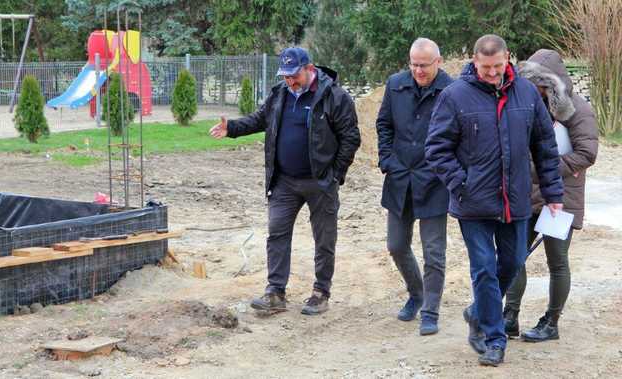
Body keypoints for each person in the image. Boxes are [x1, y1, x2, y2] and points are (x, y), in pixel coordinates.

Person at [425, 35, 563, 366]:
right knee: (484, 268)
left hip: (514, 201)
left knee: (513, 262)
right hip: (472, 204)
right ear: (474, 62)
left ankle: (477, 312)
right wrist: (461, 183)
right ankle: (493, 337)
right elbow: (436, 148)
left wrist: (553, 193)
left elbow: (544, 146)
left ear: (507, 60)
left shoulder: (528, 93)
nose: (491, 73)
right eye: (485, 67)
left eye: (497, 66)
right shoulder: (454, 96)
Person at [209, 47, 360, 316]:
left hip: (320, 182)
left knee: (324, 239)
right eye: (286, 75)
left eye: (294, 75)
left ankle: (320, 292)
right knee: (277, 234)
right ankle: (275, 292)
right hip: (284, 181)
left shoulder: (334, 96)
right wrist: (231, 128)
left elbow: (351, 138)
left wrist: (334, 175)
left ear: (309, 69)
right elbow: (260, 120)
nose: (290, 81)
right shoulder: (280, 93)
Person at [504, 49, 598, 342]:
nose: (532, 87)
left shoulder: (578, 109)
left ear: (552, 80)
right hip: (527, 193)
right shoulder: (528, 104)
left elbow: (587, 153)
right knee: (514, 255)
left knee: (556, 260)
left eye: (538, 82)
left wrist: (543, 170)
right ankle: (510, 317)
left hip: (562, 194)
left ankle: (552, 321)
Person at [375, 38, 453, 336]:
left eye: (424, 65)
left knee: (434, 253)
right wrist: (386, 160)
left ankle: (430, 312)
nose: (418, 70)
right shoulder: (396, 84)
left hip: (434, 182)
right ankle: (416, 294)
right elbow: (384, 125)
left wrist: (445, 171)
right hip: (399, 179)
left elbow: (458, 137)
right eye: (414, 64)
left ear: (439, 61)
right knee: (396, 245)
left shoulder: (452, 91)